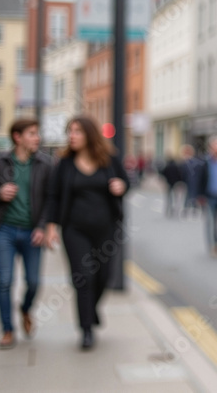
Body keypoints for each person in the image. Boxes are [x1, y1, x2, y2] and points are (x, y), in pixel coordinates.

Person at [44, 115, 129, 350]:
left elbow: (126, 182)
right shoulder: (65, 163)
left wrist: (121, 186)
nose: (72, 136)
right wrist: (51, 227)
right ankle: (86, 329)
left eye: (77, 131)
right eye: (70, 131)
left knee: (103, 277)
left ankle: (91, 310)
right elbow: (53, 196)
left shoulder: (109, 159)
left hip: (106, 230)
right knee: (83, 277)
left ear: (90, 134)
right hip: (75, 230)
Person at [0, 119, 54, 349]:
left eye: (37, 133)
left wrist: (42, 227)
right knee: (5, 281)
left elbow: (50, 199)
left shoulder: (45, 164)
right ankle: (8, 330)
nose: (37, 138)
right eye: (32, 133)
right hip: (4, 229)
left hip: (32, 232)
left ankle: (25, 309)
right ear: (17, 137)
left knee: (33, 282)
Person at [180, 144, 204, 218]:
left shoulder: (194, 162)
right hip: (188, 182)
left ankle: (193, 208)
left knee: (193, 195)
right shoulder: (184, 163)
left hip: (194, 182)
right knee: (189, 195)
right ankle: (188, 208)